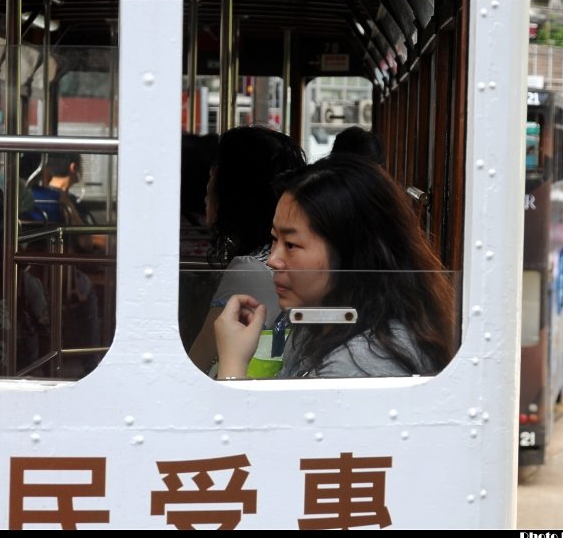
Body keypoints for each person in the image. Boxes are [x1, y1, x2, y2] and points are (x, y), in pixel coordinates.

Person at [214, 153, 455, 379]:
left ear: (351, 253)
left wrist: (232, 362)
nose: (272, 260)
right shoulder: (319, 323)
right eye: (274, 239)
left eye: (291, 244)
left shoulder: (363, 363)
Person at [186, 126, 306, 375]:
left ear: (231, 191)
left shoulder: (249, 270)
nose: (206, 189)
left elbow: (198, 363)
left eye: (214, 175)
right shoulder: (279, 257)